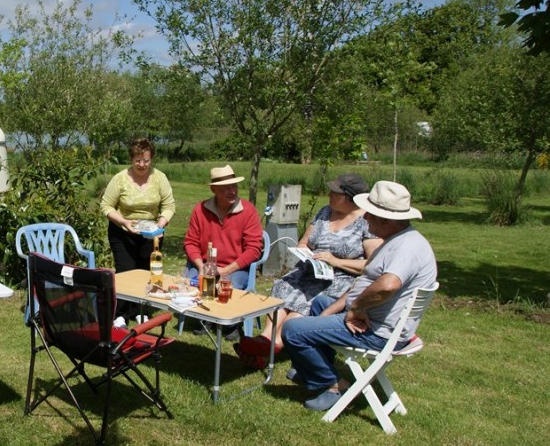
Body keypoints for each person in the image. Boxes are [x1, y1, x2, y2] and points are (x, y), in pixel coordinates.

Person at [281, 180, 438, 412]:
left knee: (292, 330)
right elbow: (365, 281)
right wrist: (330, 312)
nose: (365, 219)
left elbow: (387, 285)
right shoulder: (396, 240)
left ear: (386, 220)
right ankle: (311, 370)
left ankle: (335, 385)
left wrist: (356, 309)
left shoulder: (407, 248)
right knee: (319, 305)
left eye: (371, 216)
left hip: (375, 331)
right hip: (374, 319)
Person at [236, 173, 381, 365]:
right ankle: (265, 339)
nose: (329, 194)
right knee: (284, 286)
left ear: (350, 198)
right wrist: (303, 249)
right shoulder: (324, 212)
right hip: (310, 269)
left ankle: (274, 345)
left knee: (307, 298)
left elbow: (373, 264)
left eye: (334, 192)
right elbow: (305, 241)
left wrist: (336, 261)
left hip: (339, 278)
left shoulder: (366, 221)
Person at [100, 137, 177, 272]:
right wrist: (123, 222)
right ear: (131, 159)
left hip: (151, 234)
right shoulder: (120, 179)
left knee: (148, 273)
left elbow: (169, 206)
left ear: (151, 159)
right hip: (122, 234)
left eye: (146, 160)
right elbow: (106, 206)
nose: (142, 164)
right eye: (137, 160)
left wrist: (161, 224)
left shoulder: (160, 178)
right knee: (126, 273)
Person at [182, 164, 263, 291]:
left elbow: (254, 249)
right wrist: (201, 267)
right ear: (213, 189)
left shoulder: (248, 211)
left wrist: (225, 271)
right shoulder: (200, 210)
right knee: (186, 288)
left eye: (234, 186)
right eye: (226, 188)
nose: (232, 192)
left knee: (225, 291)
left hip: (236, 269)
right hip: (203, 265)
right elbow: (190, 243)